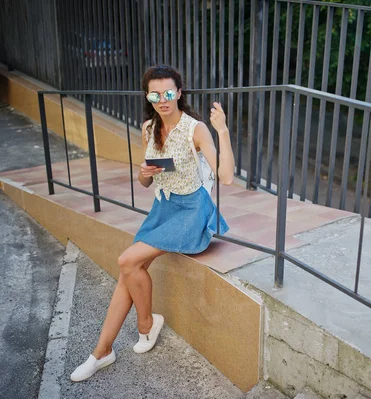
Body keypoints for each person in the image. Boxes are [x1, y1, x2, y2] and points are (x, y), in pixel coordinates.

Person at [70, 65, 234, 382]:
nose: (163, 100)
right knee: (129, 271)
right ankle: (103, 350)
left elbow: (225, 176)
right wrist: (144, 175)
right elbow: (144, 182)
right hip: (162, 209)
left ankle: (143, 326)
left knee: (127, 260)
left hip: (190, 213)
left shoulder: (195, 129)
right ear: (148, 96)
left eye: (169, 93)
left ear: (180, 93)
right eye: (156, 94)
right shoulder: (148, 128)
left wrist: (222, 131)